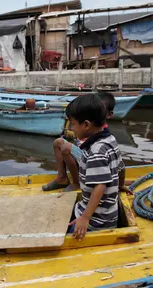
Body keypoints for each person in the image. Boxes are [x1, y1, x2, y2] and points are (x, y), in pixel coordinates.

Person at [63, 94, 124, 240]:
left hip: (97, 221)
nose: (71, 128)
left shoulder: (96, 151)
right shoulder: (110, 139)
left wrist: (85, 218)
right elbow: (121, 167)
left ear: (86, 124)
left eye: (73, 124)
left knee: (61, 234)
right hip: (103, 212)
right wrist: (120, 185)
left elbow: (100, 186)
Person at [42, 92, 130, 193]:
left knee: (66, 148)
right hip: (84, 155)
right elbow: (121, 166)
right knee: (58, 142)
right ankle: (62, 178)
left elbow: (115, 169)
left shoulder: (100, 136)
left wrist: (120, 183)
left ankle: (76, 183)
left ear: (109, 114)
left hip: (90, 159)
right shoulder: (95, 131)